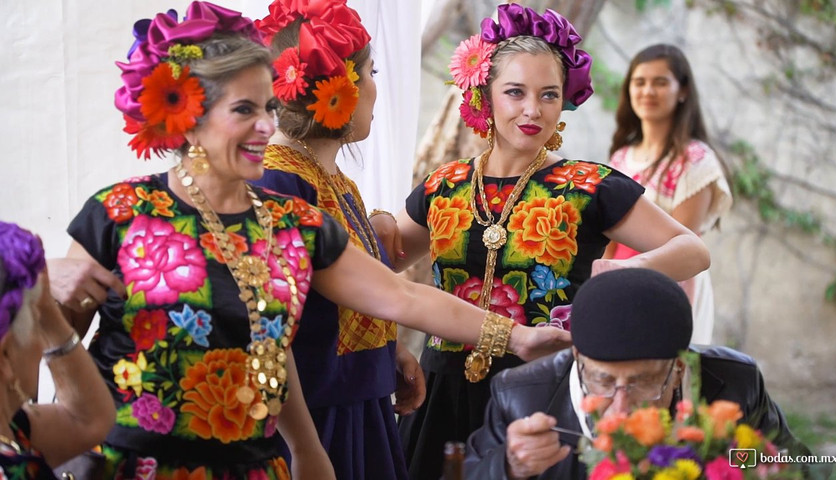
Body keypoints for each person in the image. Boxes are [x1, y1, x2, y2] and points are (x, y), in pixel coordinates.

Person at [51, 2, 572, 477]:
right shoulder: (117, 214)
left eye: (267, 107)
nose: (265, 126)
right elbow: (54, 341)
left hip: (252, 463)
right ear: (188, 114)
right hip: (136, 462)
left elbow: (393, 298)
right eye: (244, 110)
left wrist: (520, 336)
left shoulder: (294, 223)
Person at [368, 5, 710, 479]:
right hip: (441, 391)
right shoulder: (441, 186)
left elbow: (693, 250)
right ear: (485, 96)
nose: (533, 110)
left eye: (549, 95)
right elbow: (378, 267)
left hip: (543, 397)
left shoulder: (589, 185)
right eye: (515, 93)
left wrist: (627, 274)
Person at [251, 1, 424, 478]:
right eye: (371, 72)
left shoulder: (334, 178)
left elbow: (342, 300)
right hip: (312, 419)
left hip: (356, 404)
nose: (375, 87)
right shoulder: (280, 182)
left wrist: (389, 351)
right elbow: (272, 325)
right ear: (340, 89)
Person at [463, 268, 812, 479]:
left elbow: (802, 467)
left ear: (678, 370)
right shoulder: (521, 396)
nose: (621, 407)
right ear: (577, 358)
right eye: (601, 380)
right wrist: (508, 468)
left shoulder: (736, 384)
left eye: (643, 382)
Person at [605, 44, 732, 344]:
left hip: (673, 283)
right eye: (640, 82)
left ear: (683, 91)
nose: (648, 91)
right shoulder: (620, 159)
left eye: (660, 82)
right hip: (617, 281)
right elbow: (607, 241)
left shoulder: (696, 160)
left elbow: (683, 245)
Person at [0, 221, 114, 479]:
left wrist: (46, 308)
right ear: (5, 357)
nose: (42, 346)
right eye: (37, 330)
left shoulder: (14, 429)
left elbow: (89, 420)